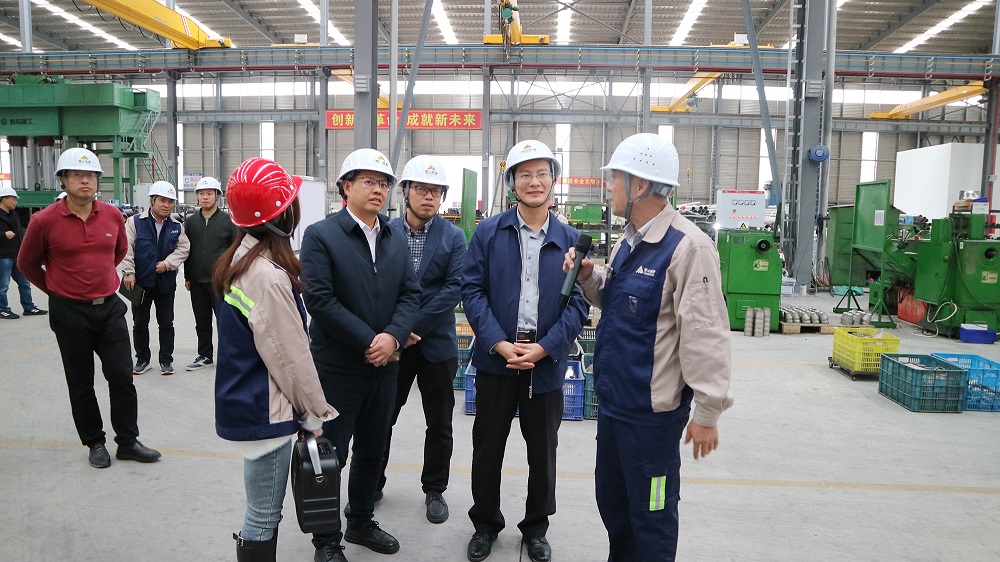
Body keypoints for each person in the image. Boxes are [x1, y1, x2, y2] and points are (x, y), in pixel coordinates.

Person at [562, 133, 734, 562]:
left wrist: (708, 412)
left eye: (614, 178)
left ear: (639, 185)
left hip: (652, 421)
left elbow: (706, 334)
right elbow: (616, 301)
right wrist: (587, 277)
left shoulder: (689, 247)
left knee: (651, 518)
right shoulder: (630, 240)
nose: (608, 187)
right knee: (615, 508)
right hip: (615, 408)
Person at [461, 140, 589, 562]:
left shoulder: (571, 241)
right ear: (512, 182)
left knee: (543, 454)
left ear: (553, 180)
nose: (534, 182)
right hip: (496, 361)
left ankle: (536, 528)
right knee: (487, 449)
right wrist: (498, 343)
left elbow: (580, 304)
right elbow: (472, 291)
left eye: (542, 174)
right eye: (524, 174)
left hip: (544, 364)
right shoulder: (489, 233)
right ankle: (485, 524)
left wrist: (545, 348)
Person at [214, 157, 338, 562]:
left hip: (245, 397)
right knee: (264, 513)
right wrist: (315, 415)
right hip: (265, 408)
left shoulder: (241, 259)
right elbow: (290, 358)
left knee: (261, 509)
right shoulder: (267, 277)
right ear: (282, 217)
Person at [300, 148, 421, 562]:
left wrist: (393, 338)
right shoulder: (321, 235)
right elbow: (320, 299)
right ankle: (326, 541)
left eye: (384, 183)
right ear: (346, 187)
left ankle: (361, 520)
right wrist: (371, 341)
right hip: (338, 368)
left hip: (385, 368)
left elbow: (410, 294)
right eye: (368, 181)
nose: (378, 189)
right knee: (330, 455)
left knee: (373, 448)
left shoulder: (395, 237)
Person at [18, 147, 161, 468]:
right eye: (77, 175)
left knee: (122, 376)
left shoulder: (112, 215)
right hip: (69, 313)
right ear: (63, 180)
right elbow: (27, 263)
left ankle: (128, 441)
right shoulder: (44, 221)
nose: (85, 181)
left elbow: (118, 251)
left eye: (91, 175)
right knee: (81, 382)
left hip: (109, 308)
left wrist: (99, 277)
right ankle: (95, 442)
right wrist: (55, 289)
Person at [378, 155, 467, 524]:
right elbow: (377, 283)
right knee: (382, 417)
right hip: (394, 345)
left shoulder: (453, 237)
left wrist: (411, 327)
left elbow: (454, 288)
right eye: (422, 189)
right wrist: (397, 332)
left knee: (440, 424)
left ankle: (434, 490)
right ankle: (372, 483)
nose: (429, 197)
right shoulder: (384, 232)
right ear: (406, 192)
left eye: (436, 191)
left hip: (435, 343)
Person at [119, 181, 190, 376]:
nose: (167, 205)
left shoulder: (176, 226)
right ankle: (142, 359)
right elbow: (126, 247)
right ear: (152, 200)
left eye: (170, 201)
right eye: (162, 200)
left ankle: (166, 360)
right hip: (140, 282)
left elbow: (184, 248)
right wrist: (128, 272)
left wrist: (168, 263)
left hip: (165, 283)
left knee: (166, 323)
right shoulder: (134, 222)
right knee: (140, 323)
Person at [183, 176, 238, 371]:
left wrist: (231, 277)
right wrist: (187, 276)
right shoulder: (190, 222)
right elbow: (187, 251)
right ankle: (205, 355)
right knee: (202, 321)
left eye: (209, 193)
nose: (205, 197)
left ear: (217, 196)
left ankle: (228, 356)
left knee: (224, 321)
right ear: (197, 197)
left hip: (220, 281)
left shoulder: (228, 221)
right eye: (201, 194)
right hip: (197, 280)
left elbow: (235, 251)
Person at [0, 186, 46, 319]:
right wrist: (3, 235)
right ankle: (3, 309)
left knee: (25, 283)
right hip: (3, 256)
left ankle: (29, 307)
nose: (16, 202)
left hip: (16, 254)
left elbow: (19, 234)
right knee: (3, 285)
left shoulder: (14, 215)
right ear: (4, 199)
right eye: (13, 198)